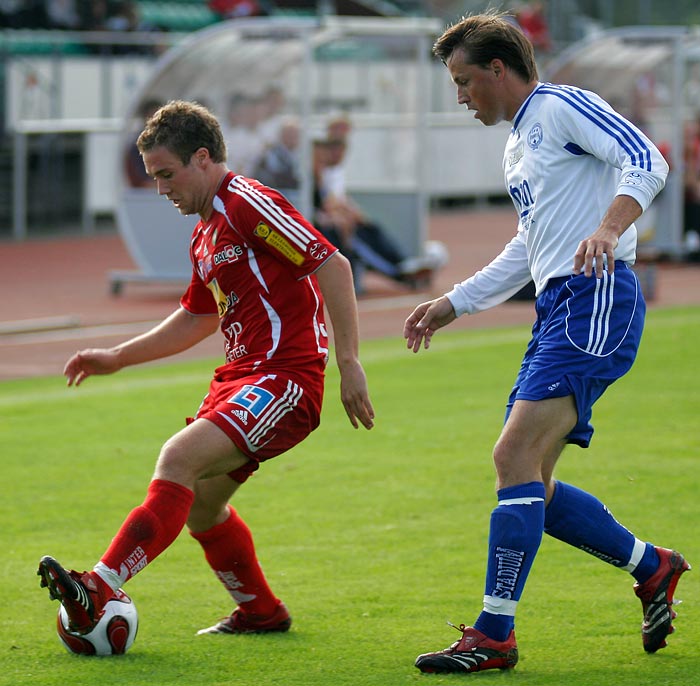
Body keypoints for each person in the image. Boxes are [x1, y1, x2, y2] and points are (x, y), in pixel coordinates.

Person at [403, 12, 689, 675]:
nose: (461, 96)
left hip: (596, 297)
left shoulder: (561, 106)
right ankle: (653, 566)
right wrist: (453, 303)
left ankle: (495, 633)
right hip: (560, 305)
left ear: (498, 69)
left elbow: (646, 157)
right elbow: (527, 250)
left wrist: (610, 227)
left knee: (513, 454)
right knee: (533, 482)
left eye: (464, 80)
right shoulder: (519, 143)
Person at [38, 100, 374, 639]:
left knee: (177, 458)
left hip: (285, 378)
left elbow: (332, 263)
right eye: (153, 177)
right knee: (201, 509)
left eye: (167, 174)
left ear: (202, 158)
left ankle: (97, 588)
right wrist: (118, 357)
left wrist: (350, 363)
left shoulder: (246, 202)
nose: (161, 189)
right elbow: (196, 318)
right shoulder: (205, 232)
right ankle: (262, 613)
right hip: (241, 378)